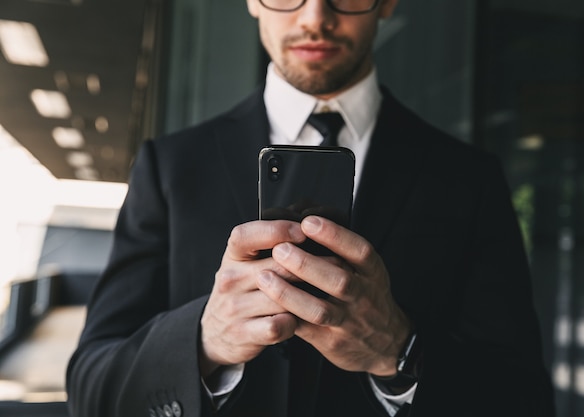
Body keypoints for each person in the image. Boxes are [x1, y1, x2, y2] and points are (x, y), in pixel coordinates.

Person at [66, 0, 555, 416]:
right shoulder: (170, 166)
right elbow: (90, 387)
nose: (316, 17)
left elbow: (525, 399)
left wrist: (399, 353)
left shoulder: (469, 178)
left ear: (387, 2)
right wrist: (204, 341)